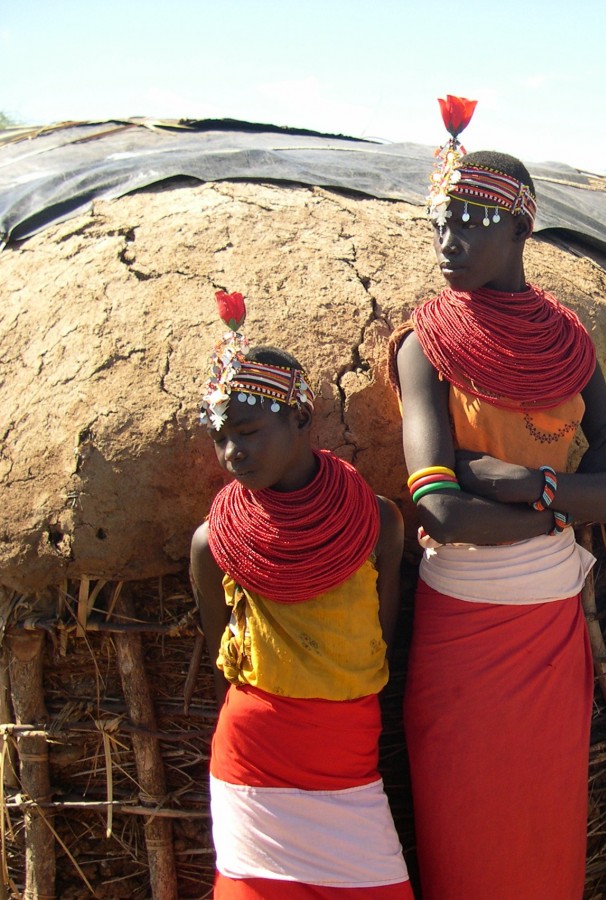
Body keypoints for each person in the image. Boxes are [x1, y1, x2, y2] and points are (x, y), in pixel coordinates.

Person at [385, 96, 606, 900]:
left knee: (542, 830)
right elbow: (439, 509)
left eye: (470, 222)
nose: (449, 240)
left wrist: (532, 484)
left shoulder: (567, 346)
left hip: (548, 628)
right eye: (440, 224)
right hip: (462, 629)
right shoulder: (425, 347)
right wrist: (565, 503)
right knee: (467, 830)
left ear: (520, 231)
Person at [190, 290, 412, 899]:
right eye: (222, 437)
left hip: (348, 760)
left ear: (301, 419)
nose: (234, 452)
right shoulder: (215, 543)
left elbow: (379, 649)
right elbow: (223, 665)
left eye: (250, 430)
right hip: (254, 762)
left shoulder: (376, 523)